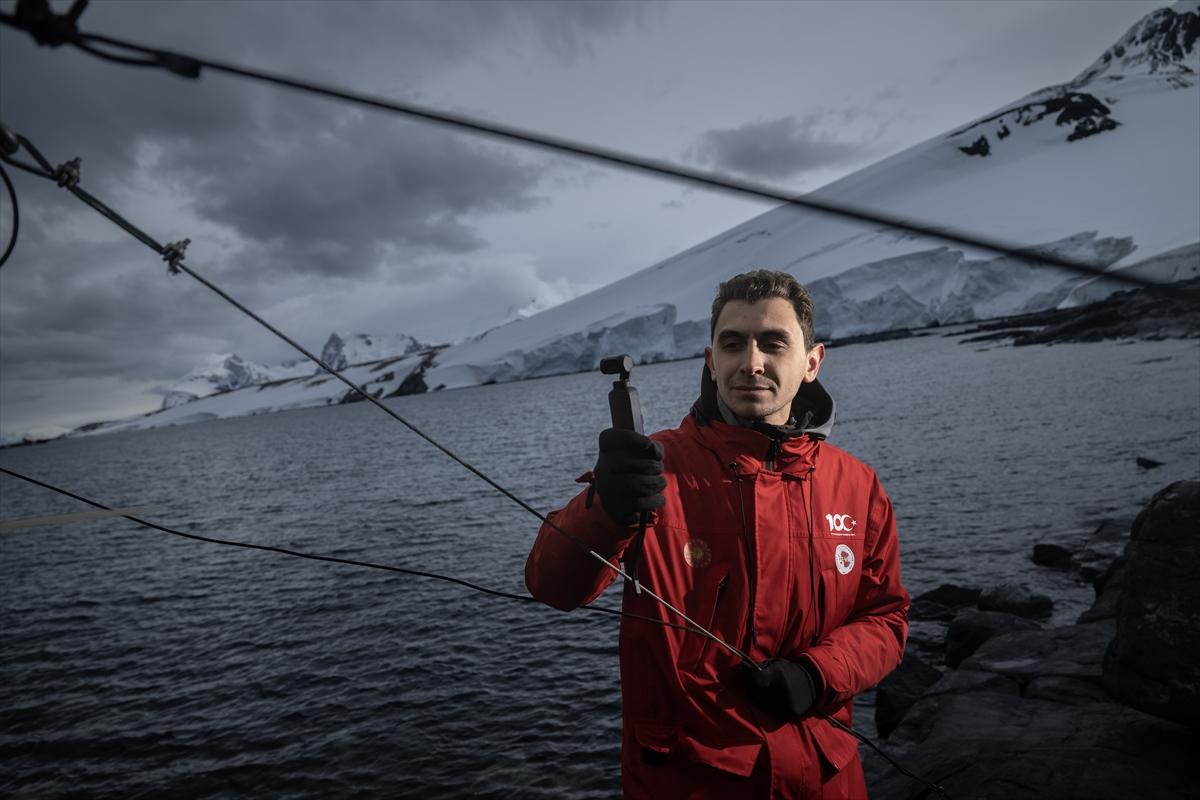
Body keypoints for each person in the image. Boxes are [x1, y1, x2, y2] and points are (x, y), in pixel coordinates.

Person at [525, 269, 909, 799]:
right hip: (690, 780)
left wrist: (817, 674)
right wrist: (604, 508)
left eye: (773, 343)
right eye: (733, 344)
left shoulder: (857, 486)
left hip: (826, 777)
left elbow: (885, 619)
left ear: (813, 362)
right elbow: (552, 585)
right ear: (711, 361)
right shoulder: (649, 470)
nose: (751, 362)